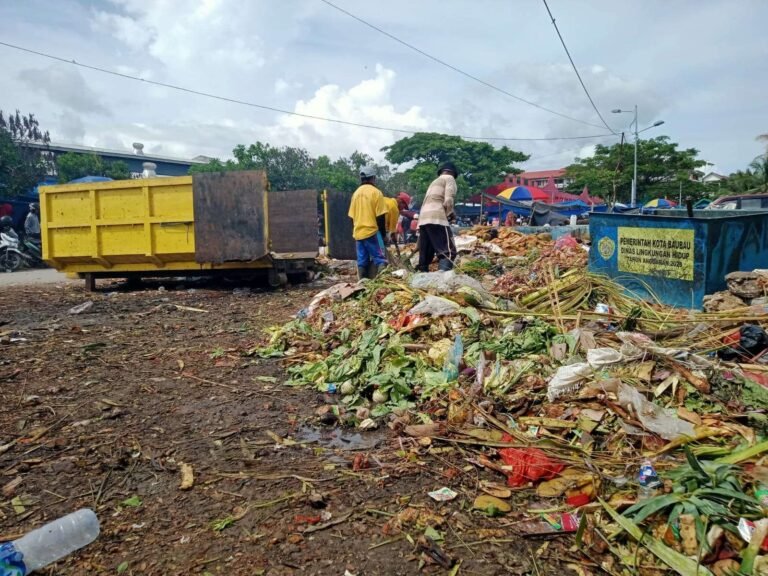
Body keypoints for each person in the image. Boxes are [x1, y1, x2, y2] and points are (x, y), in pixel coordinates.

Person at [348, 165, 388, 280]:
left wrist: (355, 232)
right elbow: (380, 216)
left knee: (362, 261)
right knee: (380, 258)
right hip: (371, 232)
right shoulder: (376, 192)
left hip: (358, 234)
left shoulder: (355, 194)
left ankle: (362, 284)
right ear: (373, 178)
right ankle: (383, 281)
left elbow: (351, 217)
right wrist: (383, 235)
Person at [417, 161, 458, 272]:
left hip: (424, 218)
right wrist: (450, 213)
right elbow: (448, 199)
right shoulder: (449, 178)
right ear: (453, 173)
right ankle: (442, 275)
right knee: (448, 251)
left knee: (426, 252)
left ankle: (422, 272)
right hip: (437, 217)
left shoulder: (434, 182)